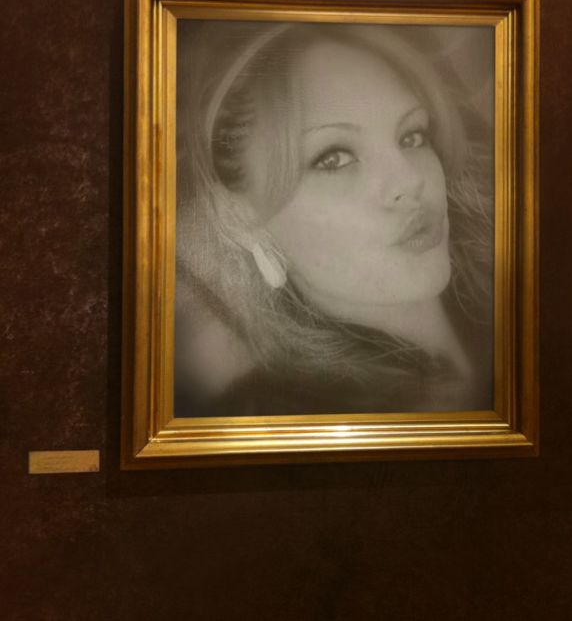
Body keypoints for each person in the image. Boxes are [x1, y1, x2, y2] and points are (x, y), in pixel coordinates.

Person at [174, 21, 494, 416]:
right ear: (239, 216)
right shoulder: (276, 425)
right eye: (334, 158)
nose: (410, 180)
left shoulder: (522, 293)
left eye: (411, 136)